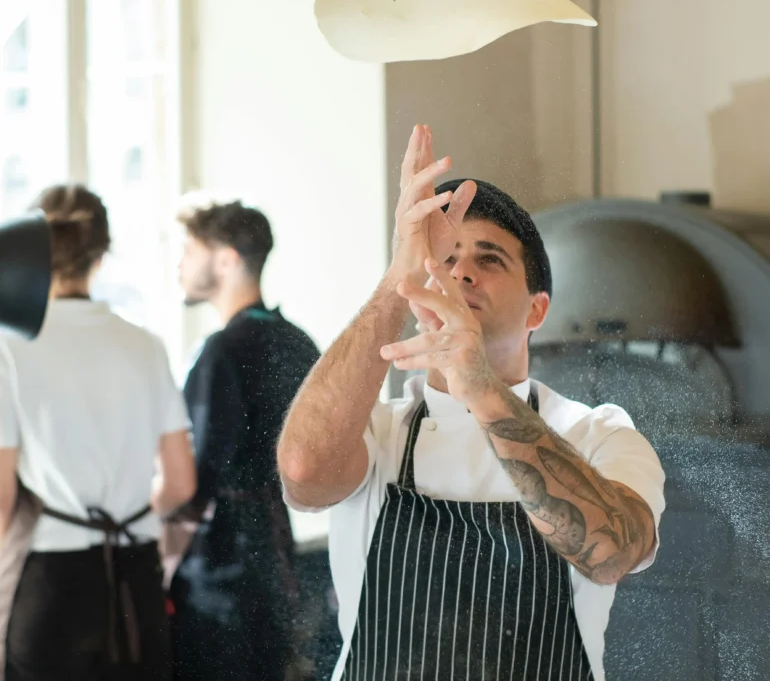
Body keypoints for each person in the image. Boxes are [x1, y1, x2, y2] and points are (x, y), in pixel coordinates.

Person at [278, 125, 666, 681]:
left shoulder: (599, 434)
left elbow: (611, 553)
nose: (460, 272)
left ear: (537, 311)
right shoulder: (377, 432)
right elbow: (303, 475)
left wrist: (479, 384)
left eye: (489, 259)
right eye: (446, 259)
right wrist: (400, 275)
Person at [0, 184, 196, 680]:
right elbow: (179, 484)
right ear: (102, 254)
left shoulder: (10, 350)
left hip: (48, 579)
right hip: (136, 579)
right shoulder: (146, 345)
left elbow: (1, 502)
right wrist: (126, 514)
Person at [170, 198, 321, 681]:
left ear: (226, 259)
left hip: (220, 576)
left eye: (190, 251)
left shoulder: (221, 352)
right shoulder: (299, 342)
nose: (180, 265)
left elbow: (197, 478)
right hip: (277, 565)